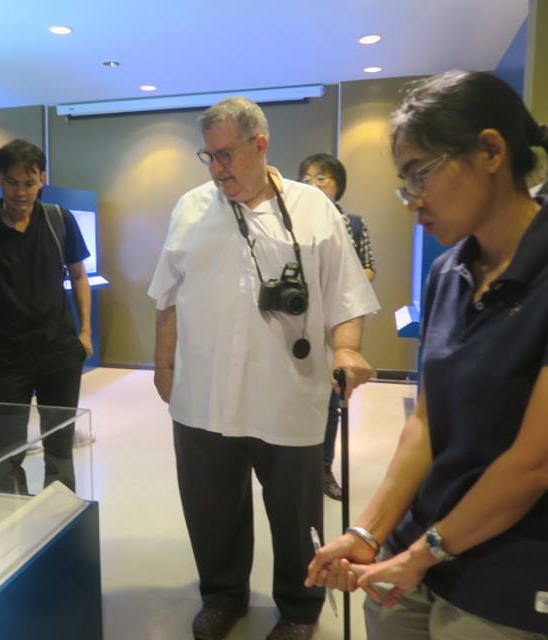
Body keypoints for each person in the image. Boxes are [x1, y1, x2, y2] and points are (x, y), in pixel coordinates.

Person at [305, 71, 548, 640]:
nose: (413, 201)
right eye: (405, 182)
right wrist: (368, 533)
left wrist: (420, 556)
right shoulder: (449, 271)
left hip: (523, 567)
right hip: (419, 545)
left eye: (421, 173)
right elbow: (427, 422)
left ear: (491, 151)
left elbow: (540, 461)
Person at [149, 97, 379, 640]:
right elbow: (168, 296)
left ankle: (300, 607)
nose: (216, 168)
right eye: (208, 157)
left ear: (260, 144)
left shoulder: (313, 208)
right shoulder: (190, 207)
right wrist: (164, 364)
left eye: (225, 155)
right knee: (210, 507)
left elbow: (345, 294)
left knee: (295, 513)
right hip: (204, 393)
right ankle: (222, 596)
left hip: (288, 392)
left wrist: (346, 349)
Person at [0, 139, 92, 493]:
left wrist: (85, 333)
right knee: (4, 449)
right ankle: (11, 512)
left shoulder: (59, 219)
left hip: (59, 352)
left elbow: (79, 276)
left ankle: (60, 512)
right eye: (12, 182)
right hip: (8, 358)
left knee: (59, 445)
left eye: (29, 183)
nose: (20, 192)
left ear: (42, 180)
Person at [299, 153, 376, 500]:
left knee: (333, 397)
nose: (313, 185)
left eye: (322, 178)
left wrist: (341, 280)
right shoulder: (291, 222)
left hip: (339, 324)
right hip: (300, 323)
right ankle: (295, 465)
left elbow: (369, 268)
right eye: (306, 179)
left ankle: (323, 467)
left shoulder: (353, 223)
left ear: (338, 184)